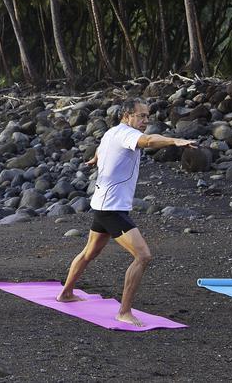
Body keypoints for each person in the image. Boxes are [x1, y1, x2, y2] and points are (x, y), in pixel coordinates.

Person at [56, 99, 195, 326]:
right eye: (141, 116)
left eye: (147, 116)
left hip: (103, 204)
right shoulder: (126, 134)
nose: (145, 121)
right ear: (127, 116)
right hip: (112, 208)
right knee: (143, 256)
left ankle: (66, 293)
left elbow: (101, 151)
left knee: (89, 252)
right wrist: (174, 141)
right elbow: (148, 141)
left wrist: (95, 159)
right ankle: (124, 311)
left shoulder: (112, 133)